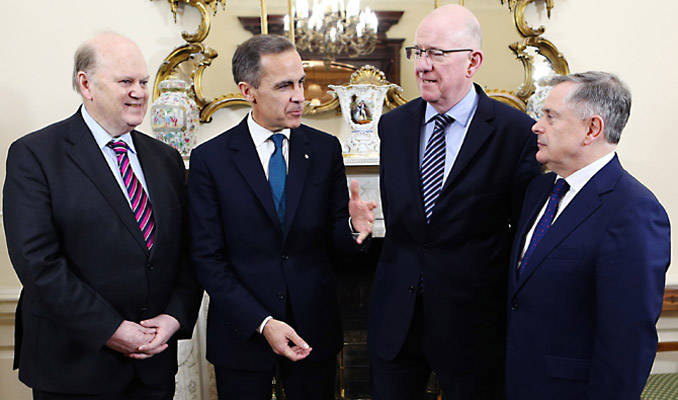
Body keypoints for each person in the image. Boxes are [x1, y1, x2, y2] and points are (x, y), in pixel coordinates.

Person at [2, 33, 203, 399]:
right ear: (86, 84)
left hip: (153, 368)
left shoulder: (167, 159)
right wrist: (111, 329)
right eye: (126, 81)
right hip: (73, 367)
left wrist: (174, 317)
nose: (140, 92)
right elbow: (38, 263)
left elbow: (188, 252)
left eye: (143, 81)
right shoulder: (35, 155)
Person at [187, 34, 376, 400]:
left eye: (301, 82)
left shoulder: (324, 149)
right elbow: (207, 259)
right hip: (242, 333)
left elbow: (337, 247)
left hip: (313, 332)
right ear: (248, 91)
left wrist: (353, 228)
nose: (300, 96)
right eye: (285, 85)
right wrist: (263, 323)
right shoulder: (211, 160)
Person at [369, 4, 541, 399]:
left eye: (436, 53)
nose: (422, 65)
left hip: (474, 327)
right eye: (418, 52)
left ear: (473, 62)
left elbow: (524, 236)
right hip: (396, 322)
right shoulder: (393, 126)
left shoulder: (515, 133)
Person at [505, 71, 670, 399]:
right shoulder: (540, 190)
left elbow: (627, 342)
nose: (536, 126)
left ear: (592, 129)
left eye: (550, 116)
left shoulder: (634, 210)